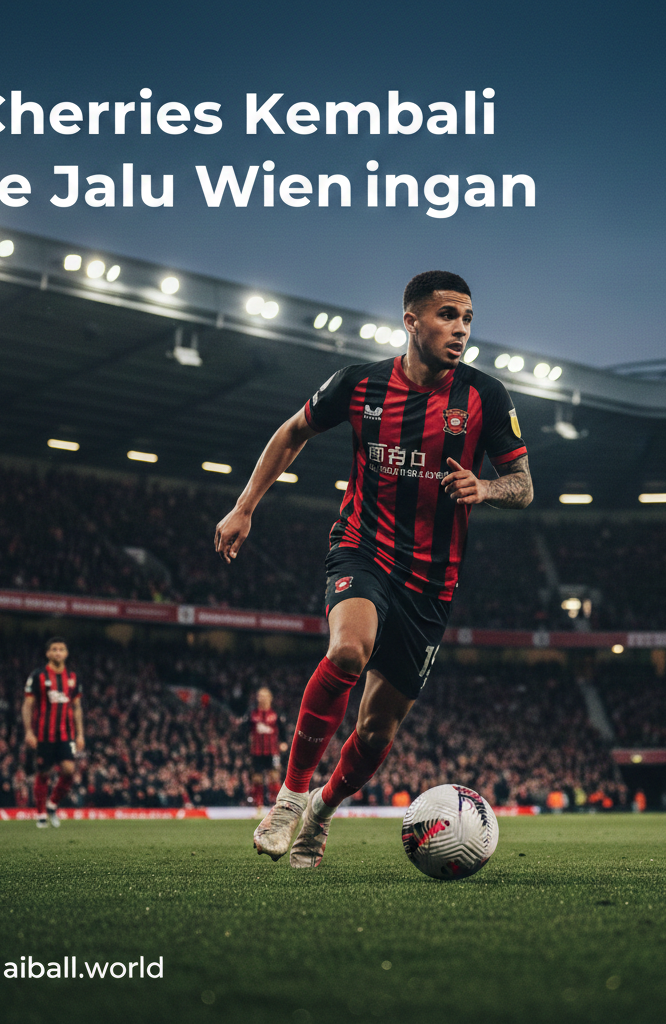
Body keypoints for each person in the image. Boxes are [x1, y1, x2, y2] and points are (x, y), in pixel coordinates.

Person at [215, 270, 532, 867]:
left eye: (466, 317)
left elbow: (524, 485)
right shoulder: (359, 384)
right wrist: (243, 507)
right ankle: (291, 795)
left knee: (377, 730)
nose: (460, 328)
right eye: (446, 315)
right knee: (347, 651)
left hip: (432, 582)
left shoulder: (484, 396)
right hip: (363, 547)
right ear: (411, 320)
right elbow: (292, 432)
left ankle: (321, 813)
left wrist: (486, 489)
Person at [22, 637, 84, 828]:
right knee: (44, 773)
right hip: (43, 734)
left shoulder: (73, 677)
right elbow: (28, 705)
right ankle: (40, 814)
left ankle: (52, 804)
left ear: (66, 653)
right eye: (54, 649)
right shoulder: (38, 676)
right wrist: (28, 732)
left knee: (69, 770)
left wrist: (80, 734)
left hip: (66, 734)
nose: (58, 652)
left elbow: (77, 707)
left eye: (62, 649)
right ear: (48, 653)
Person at [248, 686, 286, 806]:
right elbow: (245, 731)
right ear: (257, 698)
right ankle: (258, 806)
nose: (263, 698)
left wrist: (283, 742)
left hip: (273, 751)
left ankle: (277, 805)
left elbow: (282, 730)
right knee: (257, 779)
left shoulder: (276, 714)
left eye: (265, 696)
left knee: (274, 777)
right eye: (261, 696)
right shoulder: (252, 714)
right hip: (256, 752)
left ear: (270, 698)